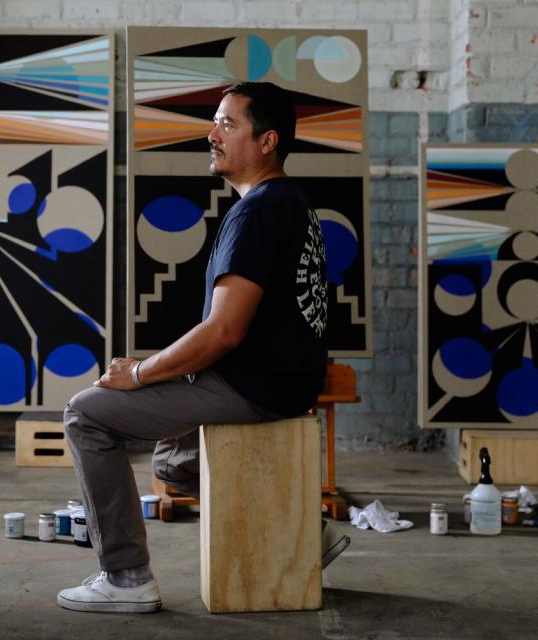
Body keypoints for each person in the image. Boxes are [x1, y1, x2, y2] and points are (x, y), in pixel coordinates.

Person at [57, 82, 348, 614]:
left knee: (87, 415)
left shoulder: (257, 211)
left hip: (252, 385)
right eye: (215, 122)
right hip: (282, 380)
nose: (211, 135)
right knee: (173, 463)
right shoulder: (290, 201)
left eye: (228, 124)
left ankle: (125, 578)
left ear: (268, 141)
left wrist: (142, 373)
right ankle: (308, 531)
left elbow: (223, 333)